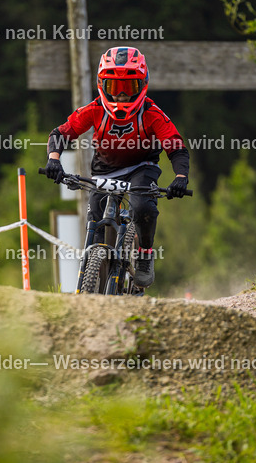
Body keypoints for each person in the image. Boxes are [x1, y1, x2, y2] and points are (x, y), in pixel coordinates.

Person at [43, 46, 189, 288]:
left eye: (128, 88)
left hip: (142, 168)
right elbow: (61, 133)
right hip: (105, 171)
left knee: (143, 207)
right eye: (114, 88)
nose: (121, 96)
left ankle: (144, 254)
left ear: (142, 86)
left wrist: (181, 176)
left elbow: (176, 147)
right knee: (95, 222)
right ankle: (90, 281)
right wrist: (54, 159)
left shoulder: (151, 114)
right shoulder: (95, 109)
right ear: (102, 85)